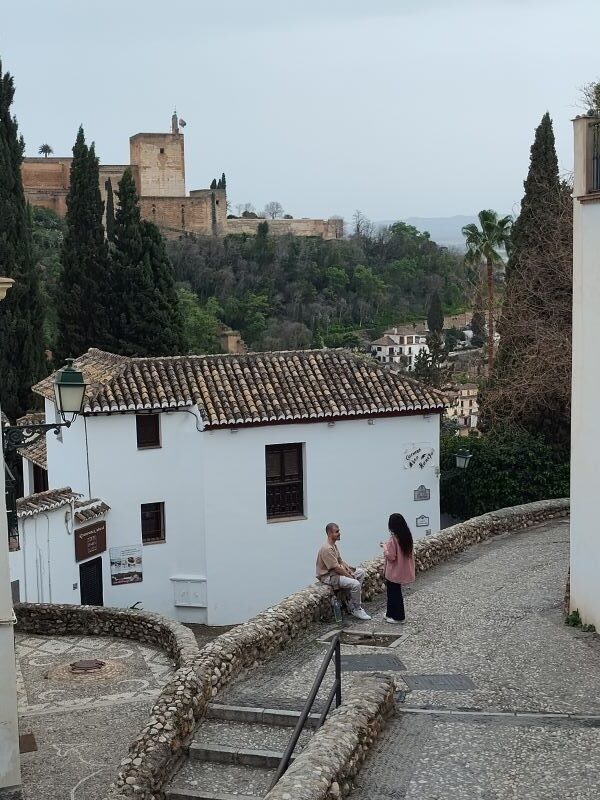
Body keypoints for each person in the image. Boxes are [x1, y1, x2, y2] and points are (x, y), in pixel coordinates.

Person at [316, 522, 371, 620]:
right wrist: (349, 576)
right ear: (329, 534)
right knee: (355, 584)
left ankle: (350, 602)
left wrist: (350, 571)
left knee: (360, 573)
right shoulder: (327, 549)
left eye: (339, 531)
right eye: (337, 532)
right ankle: (356, 609)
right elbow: (335, 567)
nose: (339, 533)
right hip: (328, 576)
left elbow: (340, 561)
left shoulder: (334, 546)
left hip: (336, 572)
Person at [380, 513, 415, 624]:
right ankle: (390, 613)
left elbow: (391, 556)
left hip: (394, 571)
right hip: (402, 570)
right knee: (393, 592)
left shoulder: (393, 539)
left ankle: (399, 617)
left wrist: (384, 547)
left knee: (394, 593)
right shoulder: (406, 536)